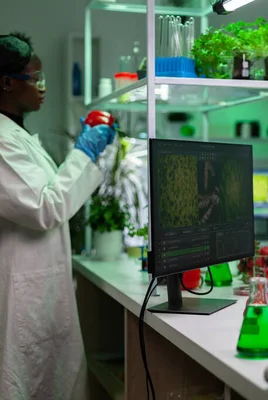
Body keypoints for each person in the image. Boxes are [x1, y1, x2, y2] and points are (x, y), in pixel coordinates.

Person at [0, 32, 116, 398]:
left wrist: (91, 152)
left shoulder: (18, 136)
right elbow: (46, 208)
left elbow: (55, 195)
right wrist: (83, 153)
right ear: (6, 83)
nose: (43, 87)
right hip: (20, 298)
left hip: (39, 292)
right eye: (36, 79)